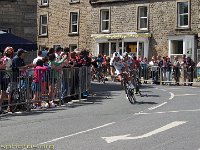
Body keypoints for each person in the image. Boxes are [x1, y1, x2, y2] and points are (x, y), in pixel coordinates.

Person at [0, 47, 14, 114]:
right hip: (5, 76)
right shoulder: (9, 59)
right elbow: (7, 67)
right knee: (3, 93)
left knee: (2, 93)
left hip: (2, 75)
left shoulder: (2, 58)